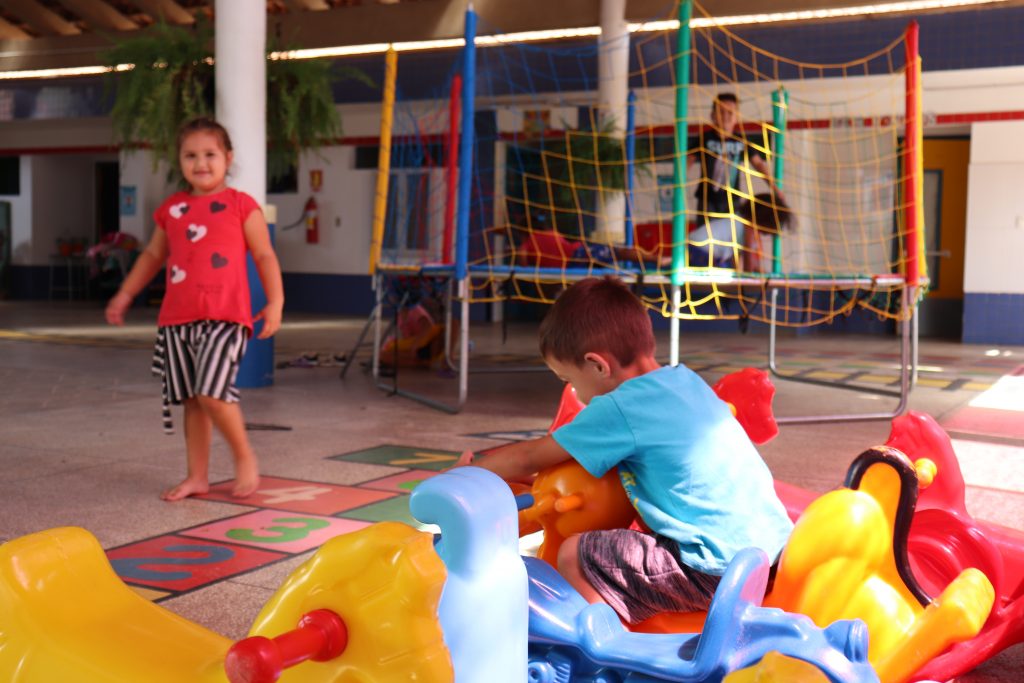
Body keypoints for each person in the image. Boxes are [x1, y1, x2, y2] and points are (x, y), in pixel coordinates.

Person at [455, 277, 793, 624]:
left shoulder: (619, 408)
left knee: (575, 554)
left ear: (598, 365)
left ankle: (602, 639)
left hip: (714, 571)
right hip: (772, 556)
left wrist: (463, 475)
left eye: (568, 379)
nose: (573, 391)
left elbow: (529, 457)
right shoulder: (686, 379)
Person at [105, 117, 284, 502]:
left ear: (228, 158)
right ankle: (197, 477)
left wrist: (276, 301)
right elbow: (152, 255)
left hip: (226, 317)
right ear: (179, 160)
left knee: (212, 393)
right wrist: (125, 294)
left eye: (210, 154)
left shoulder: (241, 205)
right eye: (190, 155)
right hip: (177, 320)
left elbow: (264, 255)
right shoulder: (172, 209)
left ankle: (244, 455)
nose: (200, 163)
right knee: (193, 400)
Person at [688, 93, 771, 219]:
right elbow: (688, 161)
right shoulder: (705, 138)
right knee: (706, 230)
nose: (725, 116)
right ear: (713, 115)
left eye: (730, 112)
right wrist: (678, 182)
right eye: (721, 112)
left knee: (731, 230)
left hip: (732, 200)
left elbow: (758, 163)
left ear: (736, 116)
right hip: (707, 200)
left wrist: (774, 187)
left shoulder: (741, 140)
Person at [688, 191, 795, 272]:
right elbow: (748, 264)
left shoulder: (738, 220)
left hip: (692, 246)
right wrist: (750, 278)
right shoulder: (747, 227)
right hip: (699, 251)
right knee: (726, 273)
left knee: (728, 268)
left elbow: (742, 260)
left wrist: (760, 272)